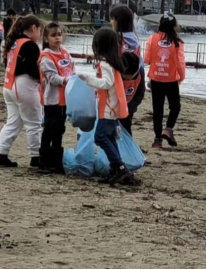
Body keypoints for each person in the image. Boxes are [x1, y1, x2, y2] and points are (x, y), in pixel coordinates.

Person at [78, 28, 132, 186]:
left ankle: (120, 167)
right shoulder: (113, 63)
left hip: (108, 109)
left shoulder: (104, 64)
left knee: (100, 137)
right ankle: (116, 168)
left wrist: (88, 79)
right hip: (113, 108)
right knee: (109, 138)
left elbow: (106, 83)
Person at [0, 15, 43, 167]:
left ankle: (1, 153)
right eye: (40, 30)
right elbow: (32, 69)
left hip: (9, 85)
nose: (40, 35)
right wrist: (44, 78)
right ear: (33, 28)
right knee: (34, 123)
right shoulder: (30, 45)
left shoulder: (13, 43)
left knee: (13, 122)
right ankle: (36, 157)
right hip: (25, 85)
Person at [144, 13, 185, 148]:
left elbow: (147, 59)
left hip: (156, 78)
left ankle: (157, 140)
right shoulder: (177, 43)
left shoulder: (152, 39)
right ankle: (168, 129)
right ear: (174, 26)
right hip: (171, 79)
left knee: (158, 109)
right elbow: (180, 63)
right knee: (175, 107)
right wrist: (181, 77)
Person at [38, 22, 74, 173]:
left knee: (60, 130)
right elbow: (52, 77)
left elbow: (72, 69)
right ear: (46, 38)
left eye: (59, 34)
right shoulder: (46, 57)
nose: (57, 38)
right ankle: (44, 162)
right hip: (52, 100)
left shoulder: (65, 53)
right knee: (49, 130)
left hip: (65, 100)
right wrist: (65, 80)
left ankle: (57, 163)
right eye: (53, 35)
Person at [110, 4, 146, 137]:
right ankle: (127, 149)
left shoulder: (115, 40)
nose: (111, 22)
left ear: (117, 21)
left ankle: (120, 152)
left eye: (112, 19)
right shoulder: (135, 40)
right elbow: (140, 62)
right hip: (135, 80)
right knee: (126, 123)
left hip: (118, 82)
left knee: (113, 124)